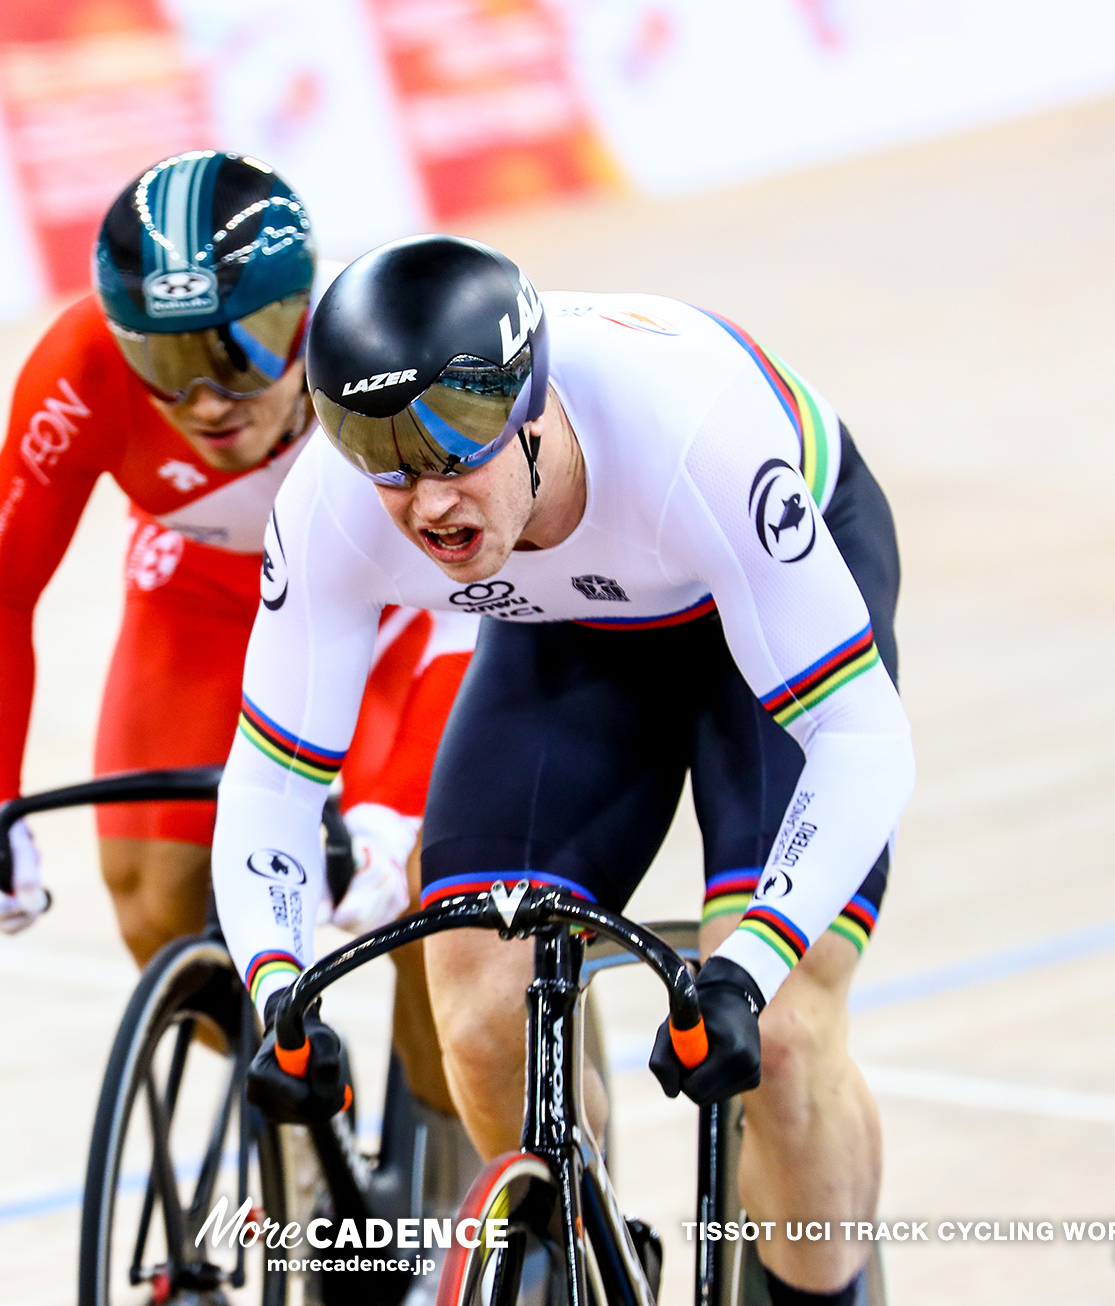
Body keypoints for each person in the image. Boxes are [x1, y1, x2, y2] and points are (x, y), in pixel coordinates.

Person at [218, 235, 913, 1305]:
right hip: (571, 628)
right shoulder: (331, 503)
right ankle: (588, 1254)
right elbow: (268, 782)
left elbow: (861, 742)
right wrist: (278, 990)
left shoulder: (689, 429)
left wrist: (750, 965)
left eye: (456, 449)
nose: (427, 502)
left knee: (779, 1034)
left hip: (760, 585)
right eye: (386, 460)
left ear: (535, 407)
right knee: (481, 1002)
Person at [0, 153, 475, 1138]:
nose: (204, 403)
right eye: (165, 363)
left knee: (430, 909)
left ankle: (487, 1161)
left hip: (387, 605)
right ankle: (310, 1100)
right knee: (155, 911)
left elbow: (467, 599)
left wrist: (392, 811)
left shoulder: (382, 353)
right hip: (197, 595)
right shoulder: (77, 372)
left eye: (241, 353)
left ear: (303, 315)